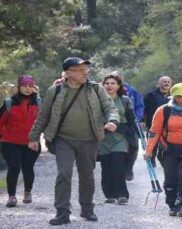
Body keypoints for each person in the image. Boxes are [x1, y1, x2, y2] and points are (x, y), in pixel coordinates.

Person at [28, 57, 120, 225]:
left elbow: (110, 107)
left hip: (89, 139)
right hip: (64, 139)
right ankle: (62, 213)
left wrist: (112, 120)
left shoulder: (96, 89)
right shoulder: (54, 91)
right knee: (64, 174)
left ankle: (87, 209)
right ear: (68, 73)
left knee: (87, 176)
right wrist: (34, 137)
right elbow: (43, 116)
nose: (85, 72)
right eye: (80, 69)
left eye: (86, 69)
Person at [144, 83, 182, 217]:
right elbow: (154, 132)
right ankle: (173, 205)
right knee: (171, 179)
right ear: (176, 97)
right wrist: (149, 150)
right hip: (168, 150)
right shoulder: (163, 111)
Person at [0, 75, 40, 207]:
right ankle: (11, 196)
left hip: (31, 142)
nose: (27, 88)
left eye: (30, 85)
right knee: (14, 167)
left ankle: (27, 192)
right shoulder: (9, 103)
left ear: (33, 87)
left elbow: (44, 122)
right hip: (10, 142)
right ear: (19, 87)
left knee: (28, 168)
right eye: (24, 85)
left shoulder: (39, 103)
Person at [98, 73, 137, 205]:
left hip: (121, 138)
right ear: (103, 86)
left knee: (118, 166)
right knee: (106, 167)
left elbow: (132, 119)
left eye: (113, 83)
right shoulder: (97, 100)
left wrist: (136, 137)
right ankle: (109, 195)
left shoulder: (125, 100)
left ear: (119, 85)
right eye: (107, 83)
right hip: (102, 139)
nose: (109, 86)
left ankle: (122, 195)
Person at [109, 70, 144, 181]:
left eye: (118, 77)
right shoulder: (105, 91)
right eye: (113, 77)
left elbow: (139, 106)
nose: (115, 79)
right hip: (113, 125)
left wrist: (137, 118)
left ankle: (129, 168)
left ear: (122, 79)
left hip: (130, 123)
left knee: (133, 146)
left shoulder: (132, 91)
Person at [143, 76, 172, 166]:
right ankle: (151, 158)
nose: (166, 83)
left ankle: (163, 158)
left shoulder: (174, 95)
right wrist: (142, 120)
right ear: (159, 83)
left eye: (168, 81)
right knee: (152, 141)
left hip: (168, 125)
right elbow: (144, 108)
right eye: (164, 81)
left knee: (166, 143)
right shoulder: (150, 95)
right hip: (152, 124)